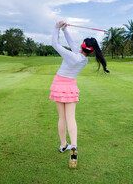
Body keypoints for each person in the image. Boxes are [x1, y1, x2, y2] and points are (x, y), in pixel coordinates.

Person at [50, 21, 109, 169]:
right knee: (71, 118)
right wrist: (65, 30)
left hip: (59, 84)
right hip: (70, 86)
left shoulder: (74, 56)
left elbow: (55, 44)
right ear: (90, 51)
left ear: (82, 46)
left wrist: (56, 28)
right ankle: (73, 146)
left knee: (62, 117)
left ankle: (63, 145)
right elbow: (72, 44)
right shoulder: (83, 59)